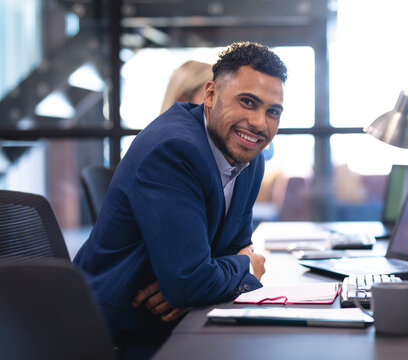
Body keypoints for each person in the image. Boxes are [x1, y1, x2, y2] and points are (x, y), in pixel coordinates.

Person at [73, 42, 287, 359]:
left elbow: (233, 246)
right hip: (119, 336)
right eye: (247, 102)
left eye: (273, 111)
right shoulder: (173, 150)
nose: (259, 123)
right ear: (211, 95)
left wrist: (204, 276)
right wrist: (247, 266)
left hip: (185, 319)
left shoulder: (249, 156)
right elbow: (197, 280)